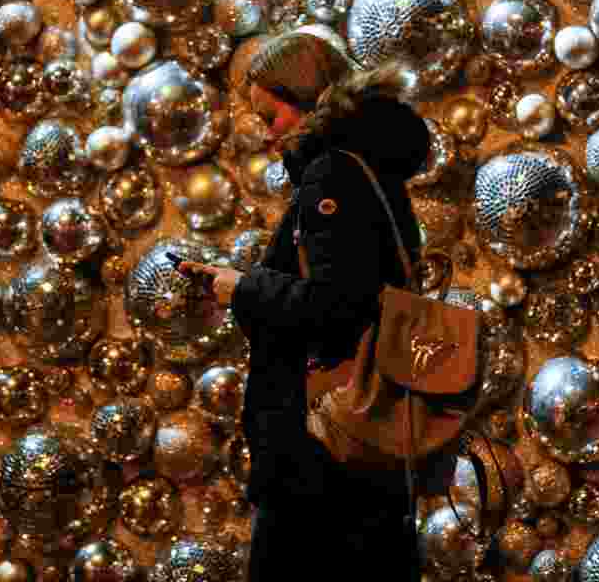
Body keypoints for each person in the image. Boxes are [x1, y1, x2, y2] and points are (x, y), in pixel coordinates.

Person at [178, 50, 431, 582]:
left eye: (272, 117)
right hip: (369, 446)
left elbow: (336, 305)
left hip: (322, 457)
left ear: (311, 101)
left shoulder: (333, 176)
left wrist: (243, 287)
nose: (270, 137)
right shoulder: (373, 170)